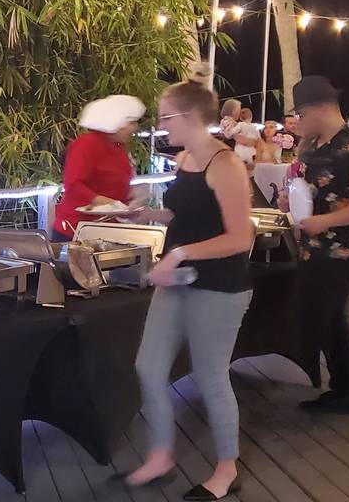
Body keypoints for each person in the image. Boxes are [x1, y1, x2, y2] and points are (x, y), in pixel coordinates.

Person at [125, 82, 254, 501]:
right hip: (177, 280)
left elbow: (240, 238)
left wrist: (178, 253)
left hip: (219, 286)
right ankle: (161, 453)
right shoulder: (185, 159)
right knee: (148, 367)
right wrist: (147, 213)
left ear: (190, 117)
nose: (160, 126)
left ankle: (226, 468)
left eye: (165, 117)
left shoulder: (225, 164)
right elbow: (186, 214)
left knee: (210, 376)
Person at [277, 77, 349, 415]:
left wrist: (325, 221)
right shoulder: (313, 147)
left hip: (346, 248)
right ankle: (348, 386)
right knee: (327, 316)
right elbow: (311, 190)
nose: (298, 122)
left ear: (316, 109)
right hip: (317, 246)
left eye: (300, 114)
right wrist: (290, 199)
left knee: (321, 315)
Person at [52, 95, 146, 241]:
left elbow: (116, 183)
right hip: (76, 229)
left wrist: (131, 201)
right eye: (131, 123)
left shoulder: (118, 147)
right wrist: (111, 204)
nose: (134, 128)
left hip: (109, 229)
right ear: (115, 122)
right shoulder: (86, 144)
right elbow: (74, 185)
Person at [220, 99, 260, 165]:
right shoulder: (228, 122)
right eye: (239, 110)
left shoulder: (236, 123)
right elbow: (239, 139)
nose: (240, 112)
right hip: (233, 157)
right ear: (234, 111)